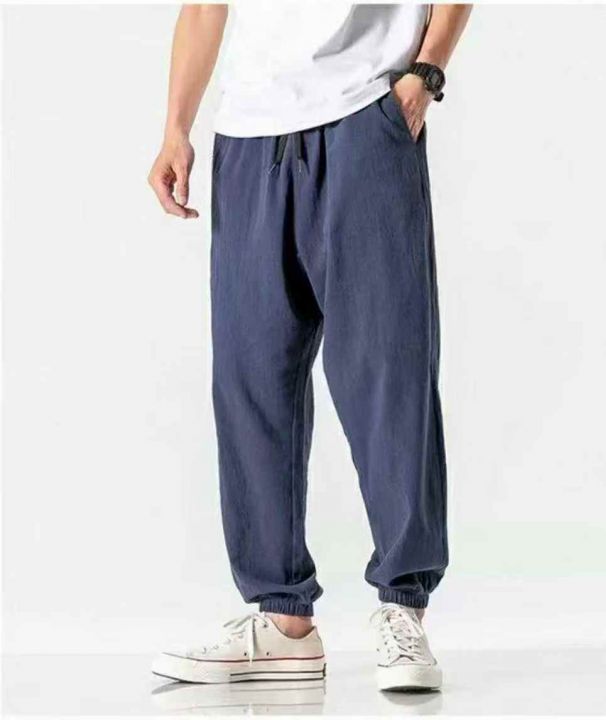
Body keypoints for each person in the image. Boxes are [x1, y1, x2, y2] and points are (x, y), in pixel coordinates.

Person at [149, 2, 472, 692]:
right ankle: (281, 621)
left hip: (366, 116)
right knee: (251, 377)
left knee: (387, 370)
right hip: (247, 134)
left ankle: (404, 604)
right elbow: (205, 6)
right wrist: (176, 126)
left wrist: (425, 75)